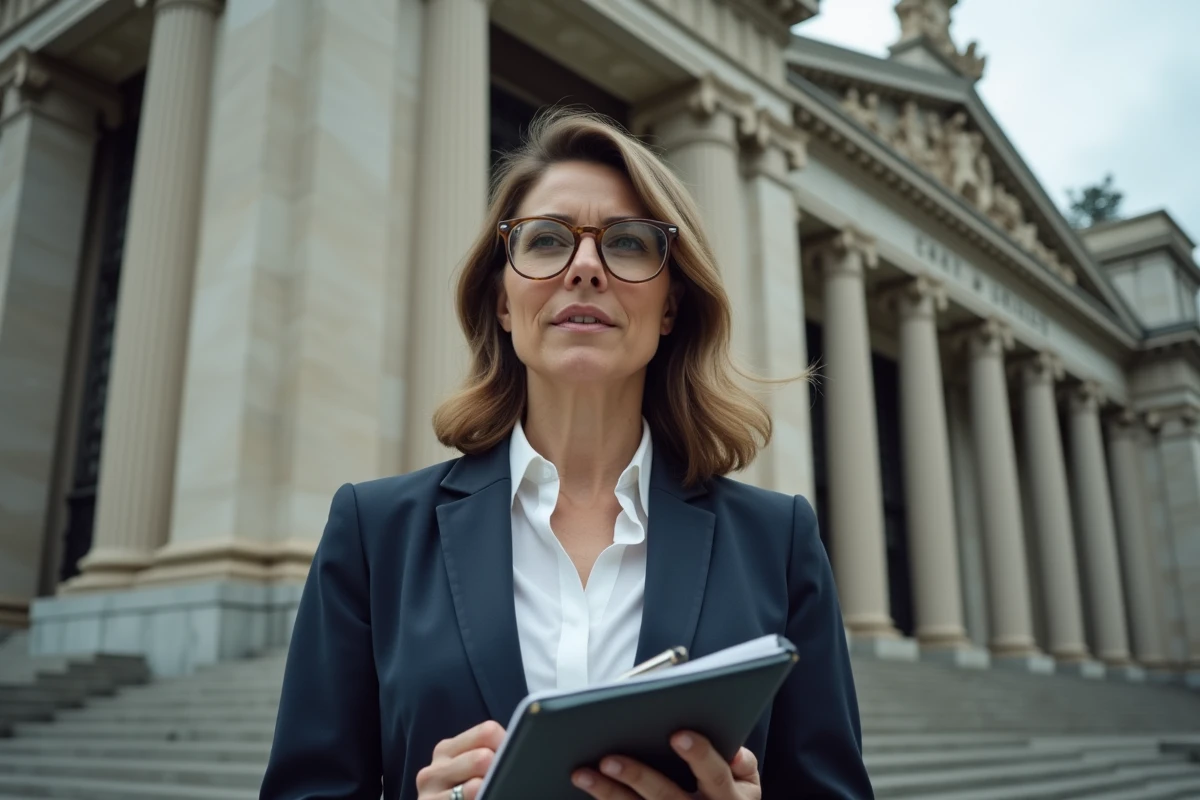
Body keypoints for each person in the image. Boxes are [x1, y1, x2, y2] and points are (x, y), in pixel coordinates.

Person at [259, 109, 873, 800]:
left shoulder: (777, 542)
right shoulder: (374, 534)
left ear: (671, 307)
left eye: (629, 243)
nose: (584, 268)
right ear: (502, 301)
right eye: (547, 240)